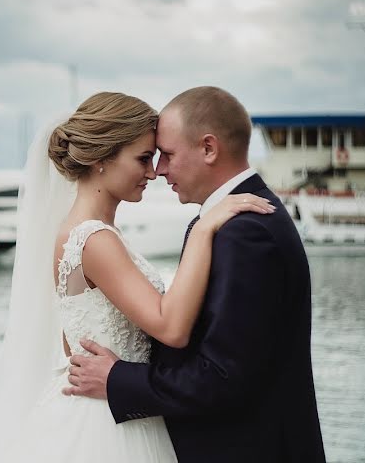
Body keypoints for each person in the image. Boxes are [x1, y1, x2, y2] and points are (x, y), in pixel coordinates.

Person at [0, 91, 274, 463]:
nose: (153, 172)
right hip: (107, 428)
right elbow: (170, 328)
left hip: (106, 406)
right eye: (143, 159)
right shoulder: (94, 239)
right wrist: (205, 228)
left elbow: (70, 342)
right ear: (101, 160)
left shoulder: (78, 232)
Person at [64, 87, 326, 462]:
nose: (159, 171)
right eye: (150, 158)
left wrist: (117, 378)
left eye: (166, 155)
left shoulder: (245, 232)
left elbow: (223, 377)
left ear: (208, 148)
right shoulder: (233, 222)